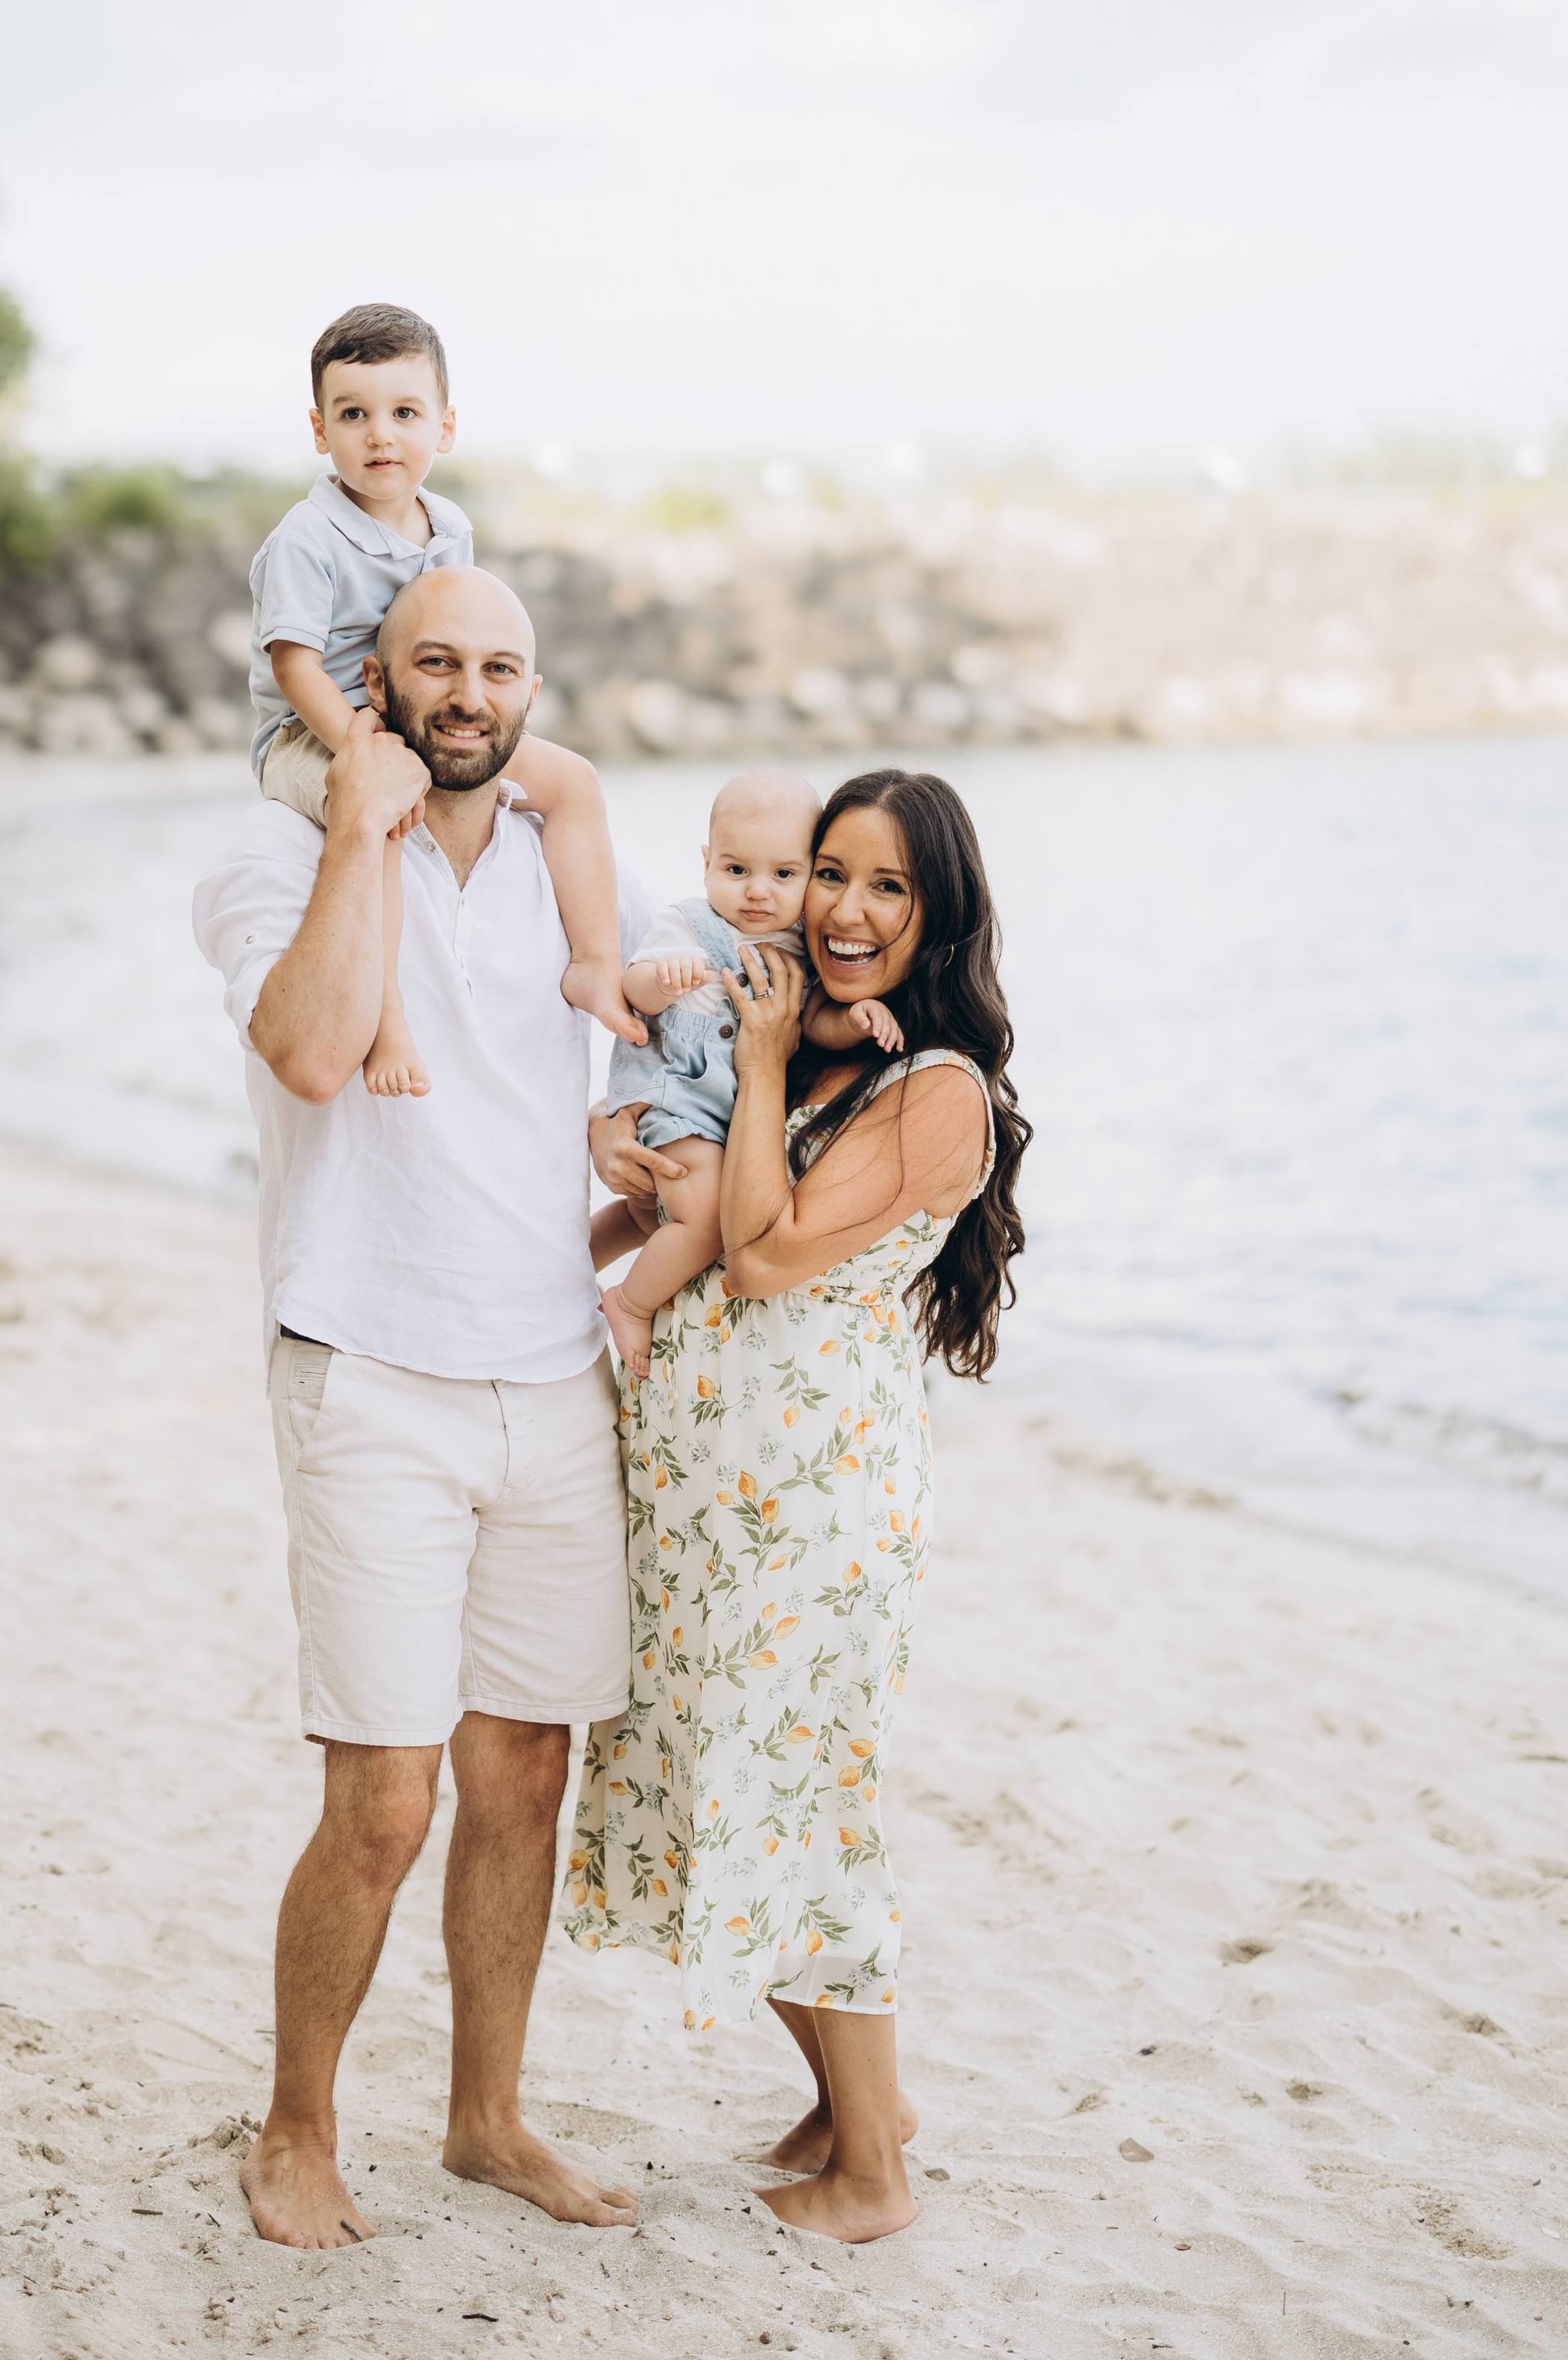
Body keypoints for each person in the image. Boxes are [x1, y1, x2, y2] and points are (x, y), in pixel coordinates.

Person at [193, 564, 657, 2252]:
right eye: (433, 664)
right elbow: (315, 1054)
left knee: (521, 1774)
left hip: (549, 1372)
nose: (469, 691)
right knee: (383, 1797)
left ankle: (483, 2120)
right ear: (369, 683)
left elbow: (680, 1032)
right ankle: (295, 2128)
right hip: (367, 1365)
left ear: (532, 688)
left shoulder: (569, 865)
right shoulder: (265, 854)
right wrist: (353, 833)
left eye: (500, 665)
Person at [565, 769, 1030, 2244]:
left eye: (886, 887)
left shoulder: (933, 1086)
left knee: (798, 1812)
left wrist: (759, 1059)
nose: (840, 909)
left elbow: (760, 1258)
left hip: (813, 1509)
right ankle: (854, 2105)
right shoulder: (815, 1049)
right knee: (727, 1797)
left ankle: (874, 2179)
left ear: (935, 911)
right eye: (830, 872)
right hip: (718, 1495)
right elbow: (697, 1211)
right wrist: (634, 1165)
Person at [246, 300, 642, 1097]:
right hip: (311, 729)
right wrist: (365, 753)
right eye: (353, 414)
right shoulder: (306, 538)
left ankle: (596, 964)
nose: (380, 435)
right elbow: (294, 666)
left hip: (405, 713)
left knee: (573, 783)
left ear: (445, 427)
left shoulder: (447, 526)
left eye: (404, 412)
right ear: (321, 431)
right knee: (384, 823)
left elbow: (460, 623)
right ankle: (388, 1019)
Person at [589, 769, 901, 1379]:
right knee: (702, 1217)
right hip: (675, 1093)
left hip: (720, 1116)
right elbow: (632, 988)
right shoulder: (689, 925)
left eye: (784, 875)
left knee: (646, 1211)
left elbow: (810, 1020)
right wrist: (662, 979)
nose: (758, 892)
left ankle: (569, 1263)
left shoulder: (798, 949)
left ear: (809, 874)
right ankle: (628, 1301)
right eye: (736, 871)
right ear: (707, 862)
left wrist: (856, 1019)